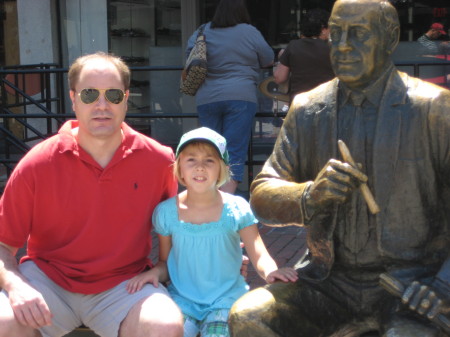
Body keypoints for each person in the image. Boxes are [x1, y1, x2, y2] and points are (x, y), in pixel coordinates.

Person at [229, 0, 450, 336]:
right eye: (336, 33)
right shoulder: (308, 109)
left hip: (410, 286)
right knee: (249, 317)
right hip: (328, 283)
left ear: (389, 38)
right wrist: (309, 195)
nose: (343, 46)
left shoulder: (433, 109)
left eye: (358, 34)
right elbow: (262, 194)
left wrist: (443, 288)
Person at [0, 52, 184, 337]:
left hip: (125, 284)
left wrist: (224, 257)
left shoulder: (159, 161)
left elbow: (176, 231)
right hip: (48, 282)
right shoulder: (38, 162)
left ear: (125, 97)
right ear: (73, 99)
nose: (101, 105)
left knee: (164, 325)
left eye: (112, 94)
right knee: (3, 319)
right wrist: (15, 285)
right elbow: (3, 245)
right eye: (89, 95)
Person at [126, 127, 298, 337]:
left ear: (222, 169)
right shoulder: (166, 212)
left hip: (225, 300)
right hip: (182, 300)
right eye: (191, 160)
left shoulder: (236, 209)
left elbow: (259, 254)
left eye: (209, 160)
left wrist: (271, 271)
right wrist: (154, 273)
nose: (200, 167)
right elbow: (165, 263)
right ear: (179, 168)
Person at [185, 0, 274, 194]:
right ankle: (225, 202)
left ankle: (206, 196)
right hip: (241, 96)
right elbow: (268, 58)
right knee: (233, 150)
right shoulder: (249, 31)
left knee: (209, 150)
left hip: (207, 97)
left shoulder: (203, 30)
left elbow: (189, 56)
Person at [274, 8, 335, 104]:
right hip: (326, 103)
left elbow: (279, 77)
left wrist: (282, 58)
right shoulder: (333, 50)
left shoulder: (293, 46)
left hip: (299, 104)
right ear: (323, 29)